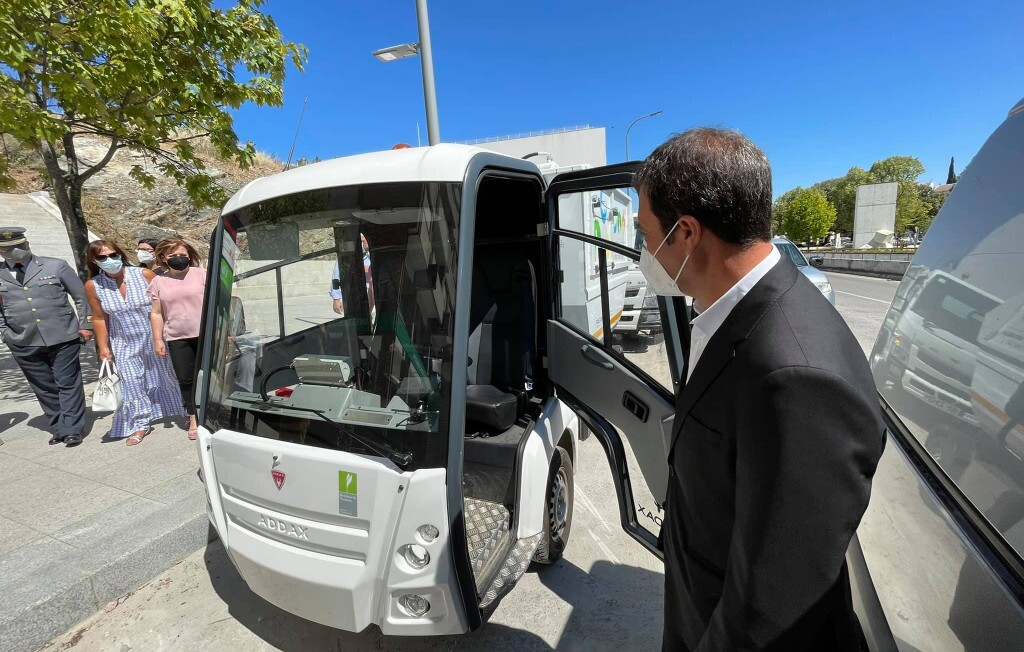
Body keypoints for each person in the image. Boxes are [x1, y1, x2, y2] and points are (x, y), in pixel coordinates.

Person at [633, 128, 886, 651]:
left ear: (685, 233)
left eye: (645, 233)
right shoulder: (735, 313)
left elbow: (769, 613)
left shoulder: (797, 378)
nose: (643, 250)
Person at [84, 240, 183, 445]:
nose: (109, 260)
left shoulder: (143, 275)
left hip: (154, 336)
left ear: (120, 254)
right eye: (102, 258)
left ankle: (182, 409)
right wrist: (103, 347)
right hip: (123, 341)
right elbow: (100, 318)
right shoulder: (94, 285)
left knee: (166, 375)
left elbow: (165, 303)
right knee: (132, 382)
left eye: (113, 255)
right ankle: (140, 423)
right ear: (94, 261)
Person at [0, 227, 92, 446]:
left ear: (27, 244)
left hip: (63, 335)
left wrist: (85, 325)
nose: (16, 251)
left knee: (67, 382)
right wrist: (5, 332)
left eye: (20, 246)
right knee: (43, 386)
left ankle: (72, 429)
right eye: (9, 248)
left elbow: (80, 297)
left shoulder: (55, 266)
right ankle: (59, 426)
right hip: (22, 340)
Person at [148, 238, 206, 440]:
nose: (178, 259)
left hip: (206, 335)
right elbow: (156, 313)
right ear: (163, 258)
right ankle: (193, 417)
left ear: (189, 254)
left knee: (212, 376)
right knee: (186, 379)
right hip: (177, 337)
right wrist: (158, 339)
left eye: (182, 254)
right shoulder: (158, 281)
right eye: (172, 256)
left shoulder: (202, 274)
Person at [329, 233, 373, 315]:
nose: (363, 242)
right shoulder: (346, 257)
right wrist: (336, 299)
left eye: (364, 240)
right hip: (353, 295)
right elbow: (336, 276)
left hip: (373, 297)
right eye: (360, 240)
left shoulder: (373, 254)